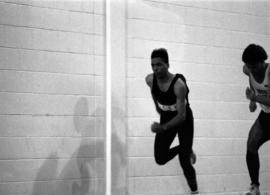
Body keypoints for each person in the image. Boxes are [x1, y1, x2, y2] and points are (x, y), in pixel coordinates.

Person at [145, 48, 198, 194]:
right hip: (167, 116)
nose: (155, 68)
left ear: (167, 64)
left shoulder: (178, 85)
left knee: (184, 162)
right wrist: (158, 108)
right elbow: (154, 93)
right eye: (153, 65)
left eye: (159, 65)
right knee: (160, 158)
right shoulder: (149, 80)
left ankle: (194, 191)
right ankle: (185, 148)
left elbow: (181, 116)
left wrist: (162, 128)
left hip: (184, 120)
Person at [242, 44, 270, 195]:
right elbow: (252, 82)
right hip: (266, 116)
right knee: (251, 143)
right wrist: (252, 102)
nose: (250, 70)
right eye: (248, 66)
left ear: (262, 62)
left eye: (253, 66)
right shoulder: (247, 69)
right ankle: (255, 187)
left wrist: (255, 97)